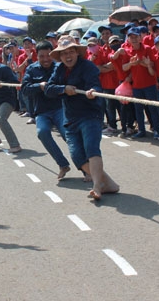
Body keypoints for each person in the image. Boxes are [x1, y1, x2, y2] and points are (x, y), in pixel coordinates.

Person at [45, 35, 119, 200]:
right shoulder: (58, 69)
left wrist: (92, 91)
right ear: (60, 56)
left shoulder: (88, 67)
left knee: (92, 149)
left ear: (77, 52)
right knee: (77, 156)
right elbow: (49, 89)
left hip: (90, 114)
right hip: (70, 118)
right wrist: (64, 89)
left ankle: (97, 187)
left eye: (71, 51)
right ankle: (108, 184)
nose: (68, 56)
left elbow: (96, 85)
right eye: (64, 53)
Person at [21, 40, 71, 179]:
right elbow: (25, 89)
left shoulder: (60, 67)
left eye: (48, 55)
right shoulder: (31, 69)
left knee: (68, 135)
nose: (45, 59)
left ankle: (86, 169)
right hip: (42, 111)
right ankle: (62, 164)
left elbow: (68, 85)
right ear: (37, 56)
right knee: (42, 132)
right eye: (42, 56)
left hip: (60, 108)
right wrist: (39, 86)